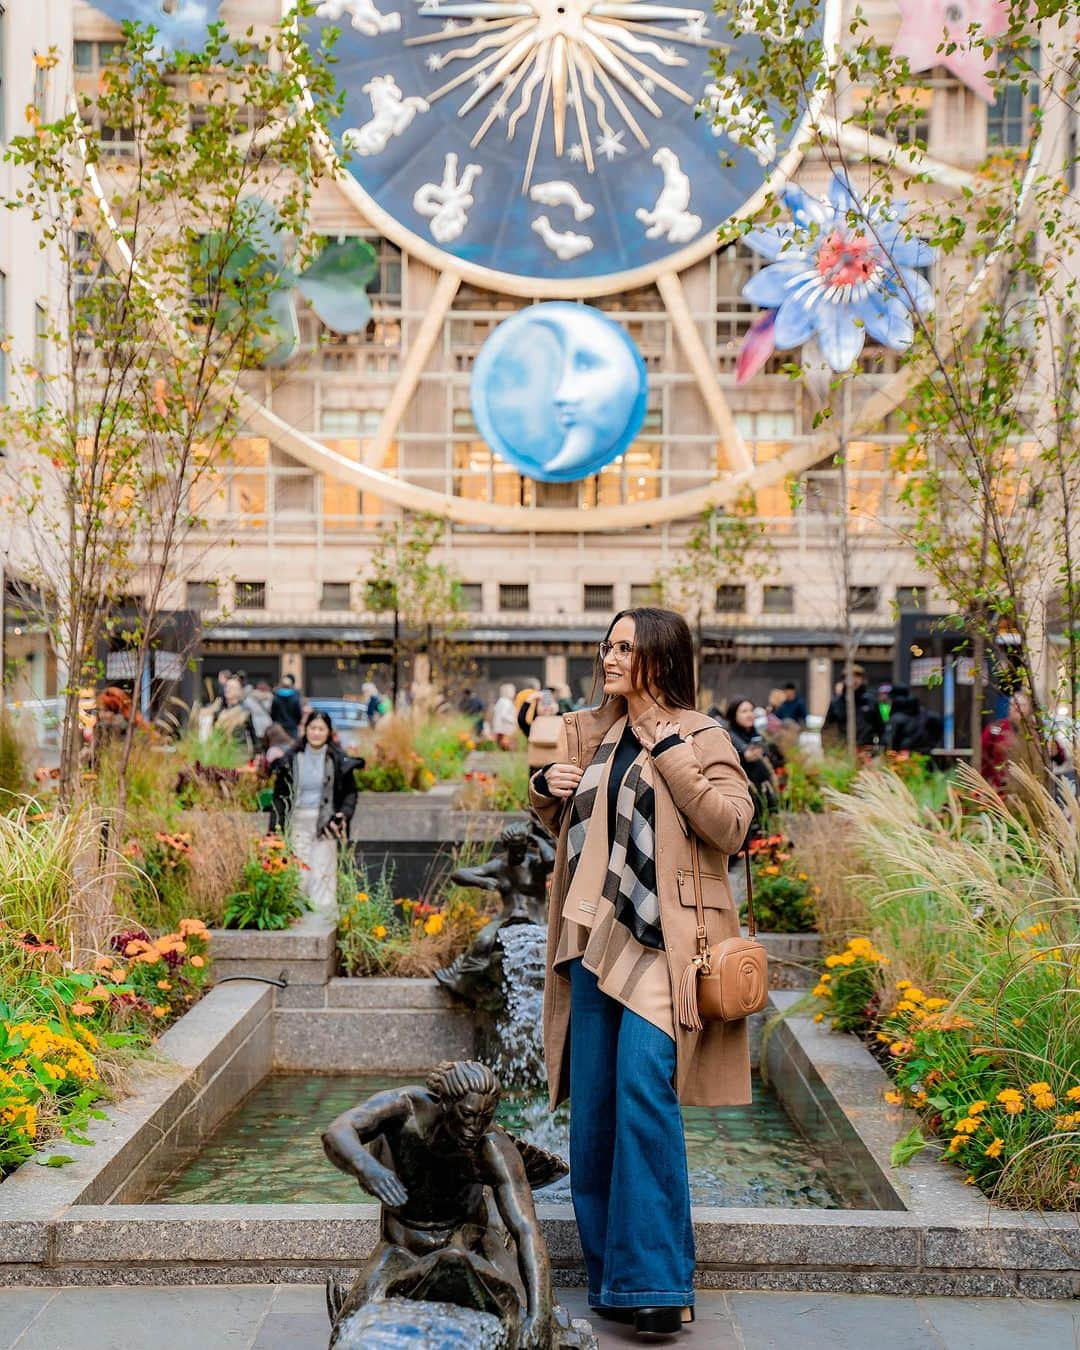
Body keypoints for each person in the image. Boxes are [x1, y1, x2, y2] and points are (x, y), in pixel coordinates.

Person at [529, 607, 753, 1338]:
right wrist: (547, 789)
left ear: (659, 656)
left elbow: (731, 826)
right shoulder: (596, 732)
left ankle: (657, 1283)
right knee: (594, 1115)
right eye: (608, 644)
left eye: (626, 646)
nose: (610, 656)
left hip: (665, 946)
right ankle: (612, 1282)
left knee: (642, 1095)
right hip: (590, 942)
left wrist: (674, 757)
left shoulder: (700, 735)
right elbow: (577, 831)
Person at [268, 710, 361, 913]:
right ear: (305, 730)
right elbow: (279, 796)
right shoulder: (292, 760)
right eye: (313, 728)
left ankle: (322, 919)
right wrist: (275, 828)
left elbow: (350, 794)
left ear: (328, 732)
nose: (316, 733)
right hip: (298, 821)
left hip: (326, 824)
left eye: (321, 729)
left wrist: (343, 814)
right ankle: (297, 914)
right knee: (299, 872)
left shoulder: (338, 761)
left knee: (323, 872)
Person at [724, 696, 779, 836]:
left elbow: (766, 753)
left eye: (751, 710)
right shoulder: (729, 734)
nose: (749, 714)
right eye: (744, 711)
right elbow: (748, 754)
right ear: (733, 715)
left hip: (762, 792)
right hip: (745, 794)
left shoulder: (754, 732)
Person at [823, 665, 885, 747]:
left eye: (857, 676)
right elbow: (827, 729)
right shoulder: (836, 703)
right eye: (850, 676)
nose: (854, 680)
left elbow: (880, 728)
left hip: (865, 750)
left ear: (862, 680)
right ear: (844, 679)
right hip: (843, 750)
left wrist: (880, 748)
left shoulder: (870, 701)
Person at [883, 685, 943, 754]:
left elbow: (889, 740)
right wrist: (931, 744)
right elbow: (937, 724)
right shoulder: (922, 711)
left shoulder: (897, 716)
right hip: (924, 751)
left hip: (902, 755)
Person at [214, 675, 255, 753]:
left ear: (239, 691)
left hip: (239, 754)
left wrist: (257, 752)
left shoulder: (244, 711)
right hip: (220, 754)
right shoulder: (218, 710)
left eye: (231, 687)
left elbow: (252, 734)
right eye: (226, 686)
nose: (227, 689)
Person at [271, 673, 303, 737]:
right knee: (292, 744)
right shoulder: (295, 697)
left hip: (279, 727)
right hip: (292, 726)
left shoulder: (276, 697)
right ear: (291, 685)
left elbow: (273, 713)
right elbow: (298, 713)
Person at [492, 682, 518, 750]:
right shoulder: (506, 702)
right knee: (505, 745)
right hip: (504, 729)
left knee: (501, 745)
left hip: (500, 728)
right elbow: (504, 715)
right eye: (512, 691)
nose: (514, 693)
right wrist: (514, 720)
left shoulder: (501, 701)